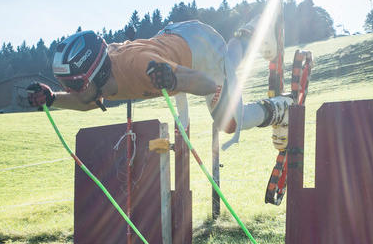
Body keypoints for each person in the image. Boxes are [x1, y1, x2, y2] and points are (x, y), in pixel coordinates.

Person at [27, 18, 293, 150]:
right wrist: (51, 98)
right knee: (225, 72)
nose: (72, 91)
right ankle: (249, 33)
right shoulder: (102, 79)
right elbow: (87, 103)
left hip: (199, 48)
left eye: (74, 85)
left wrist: (174, 78)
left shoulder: (137, 65)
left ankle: (281, 108)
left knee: (229, 119)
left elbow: (208, 83)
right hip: (177, 38)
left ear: (93, 75)